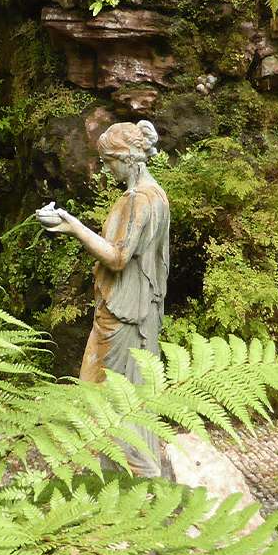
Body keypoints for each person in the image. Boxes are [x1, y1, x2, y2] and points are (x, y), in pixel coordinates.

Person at [36, 120, 170, 388]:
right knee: (124, 386)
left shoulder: (139, 198)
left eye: (109, 162)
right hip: (140, 304)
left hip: (124, 306)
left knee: (102, 384)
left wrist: (73, 226)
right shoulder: (158, 195)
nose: (108, 169)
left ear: (127, 158)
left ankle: (111, 432)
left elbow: (118, 257)